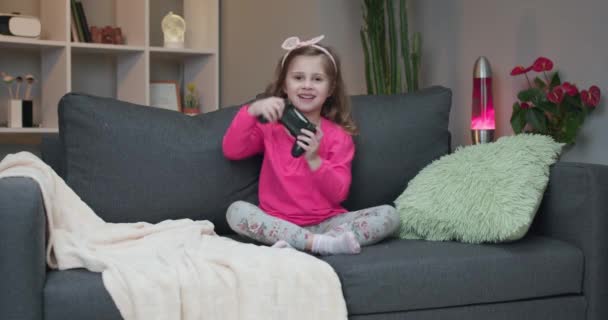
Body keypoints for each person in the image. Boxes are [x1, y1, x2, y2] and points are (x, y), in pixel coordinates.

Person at [223, 35, 400, 255]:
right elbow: (232, 149)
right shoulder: (270, 127)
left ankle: (310, 242)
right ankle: (318, 245)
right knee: (236, 212)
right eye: (298, 77)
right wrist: (250, 112)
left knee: (389, 215)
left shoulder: (338, 137)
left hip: (327, 223)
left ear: (331, 88)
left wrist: (315, 160)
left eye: (317, 79)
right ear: (284, 86)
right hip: (279, 222)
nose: (307, 85)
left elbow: (339, 193)